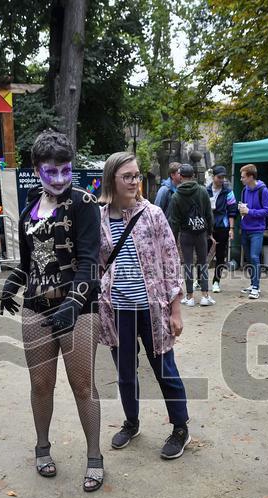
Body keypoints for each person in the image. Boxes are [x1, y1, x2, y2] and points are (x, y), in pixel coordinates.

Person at [0, 130, 104, 492]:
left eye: (65, 170)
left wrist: (73, 304)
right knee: (41, 384)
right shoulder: (30, 209)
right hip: (36, 306)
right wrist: (12, 283)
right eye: (50, 171)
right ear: (36, 170)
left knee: (83, 385)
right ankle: (42, 447)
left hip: (80, 307)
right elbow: (29, 262)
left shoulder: (84, 202)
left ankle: (94, 456)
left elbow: (89, 262)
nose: (59, 178)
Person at [97, 152, 191, 459]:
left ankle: (180, 428)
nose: (134, 181)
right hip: (117, 309)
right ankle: (132, 422)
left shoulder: (153, 214)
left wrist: (176, 310)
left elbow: (171, 261)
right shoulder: (99, 218)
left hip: (153, 308)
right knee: (126, 373)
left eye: (136, 176)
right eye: (127, 176)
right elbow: (95, 264)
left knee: (165, 370)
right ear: (111, 178)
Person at [168, 163, 215, 307]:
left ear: (180, 176)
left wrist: (173, 238)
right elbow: (209, 214)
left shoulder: (176, 196)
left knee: (188, 264)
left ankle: (190, 297)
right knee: (203, 263)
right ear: (193, 175)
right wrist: (210, 232)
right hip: (201, 233)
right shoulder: (202, 191)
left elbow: (174, 221)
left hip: (186, 234)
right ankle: (205, 295)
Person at [237, 164, 268, 299]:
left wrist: (249, 211)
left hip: (257, 230)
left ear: (251, 177)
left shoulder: (263, 190)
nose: (241, 179)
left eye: (243, 177)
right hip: (245, 228)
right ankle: (252, 284)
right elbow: (245, 208)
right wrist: (242, 209)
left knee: (255, 257)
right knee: (249, 258)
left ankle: (256, 287)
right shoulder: (244, 190)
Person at [208, 165, 237, 293]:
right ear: (213, 177)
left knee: (220, 255)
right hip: (207, 227)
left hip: (222, 226)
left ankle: (216, 281)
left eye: (223, 177)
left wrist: (231, 228)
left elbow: (232, 211)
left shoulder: (228, 192)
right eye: (219, 177)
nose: (221, 180)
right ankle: (199, 279)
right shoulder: (205, 190)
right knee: (203, 254)